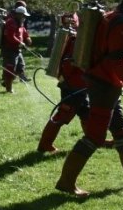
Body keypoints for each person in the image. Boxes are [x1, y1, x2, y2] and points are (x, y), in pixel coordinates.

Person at [55, 0, 123, 197]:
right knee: (95, 136)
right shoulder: (121, 23)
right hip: (103, 84)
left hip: (106, 82)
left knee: (121, 130)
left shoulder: (112, 16)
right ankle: (66, 182)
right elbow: (117, 61)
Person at [37, 12, 89, 153]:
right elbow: (68, 64)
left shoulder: (75, 37)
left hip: (80, 84)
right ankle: (44, 144)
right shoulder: (74, 40)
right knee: (63, 114)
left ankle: (93, 140)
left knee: (86, 112)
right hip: (73, 85)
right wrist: (69, 80)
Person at [1, 3, 32, 92]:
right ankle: (9, 88)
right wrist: (20, 42)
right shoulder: (11, 22)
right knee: (10, 69)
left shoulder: (20, 22)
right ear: (18, 14)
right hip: (9, 50)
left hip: (17, 50)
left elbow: (24, 32)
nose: (24, 17)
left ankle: (11, 81)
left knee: (21, 66)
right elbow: (10, 36)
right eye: (23, 15)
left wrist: (28, 38)